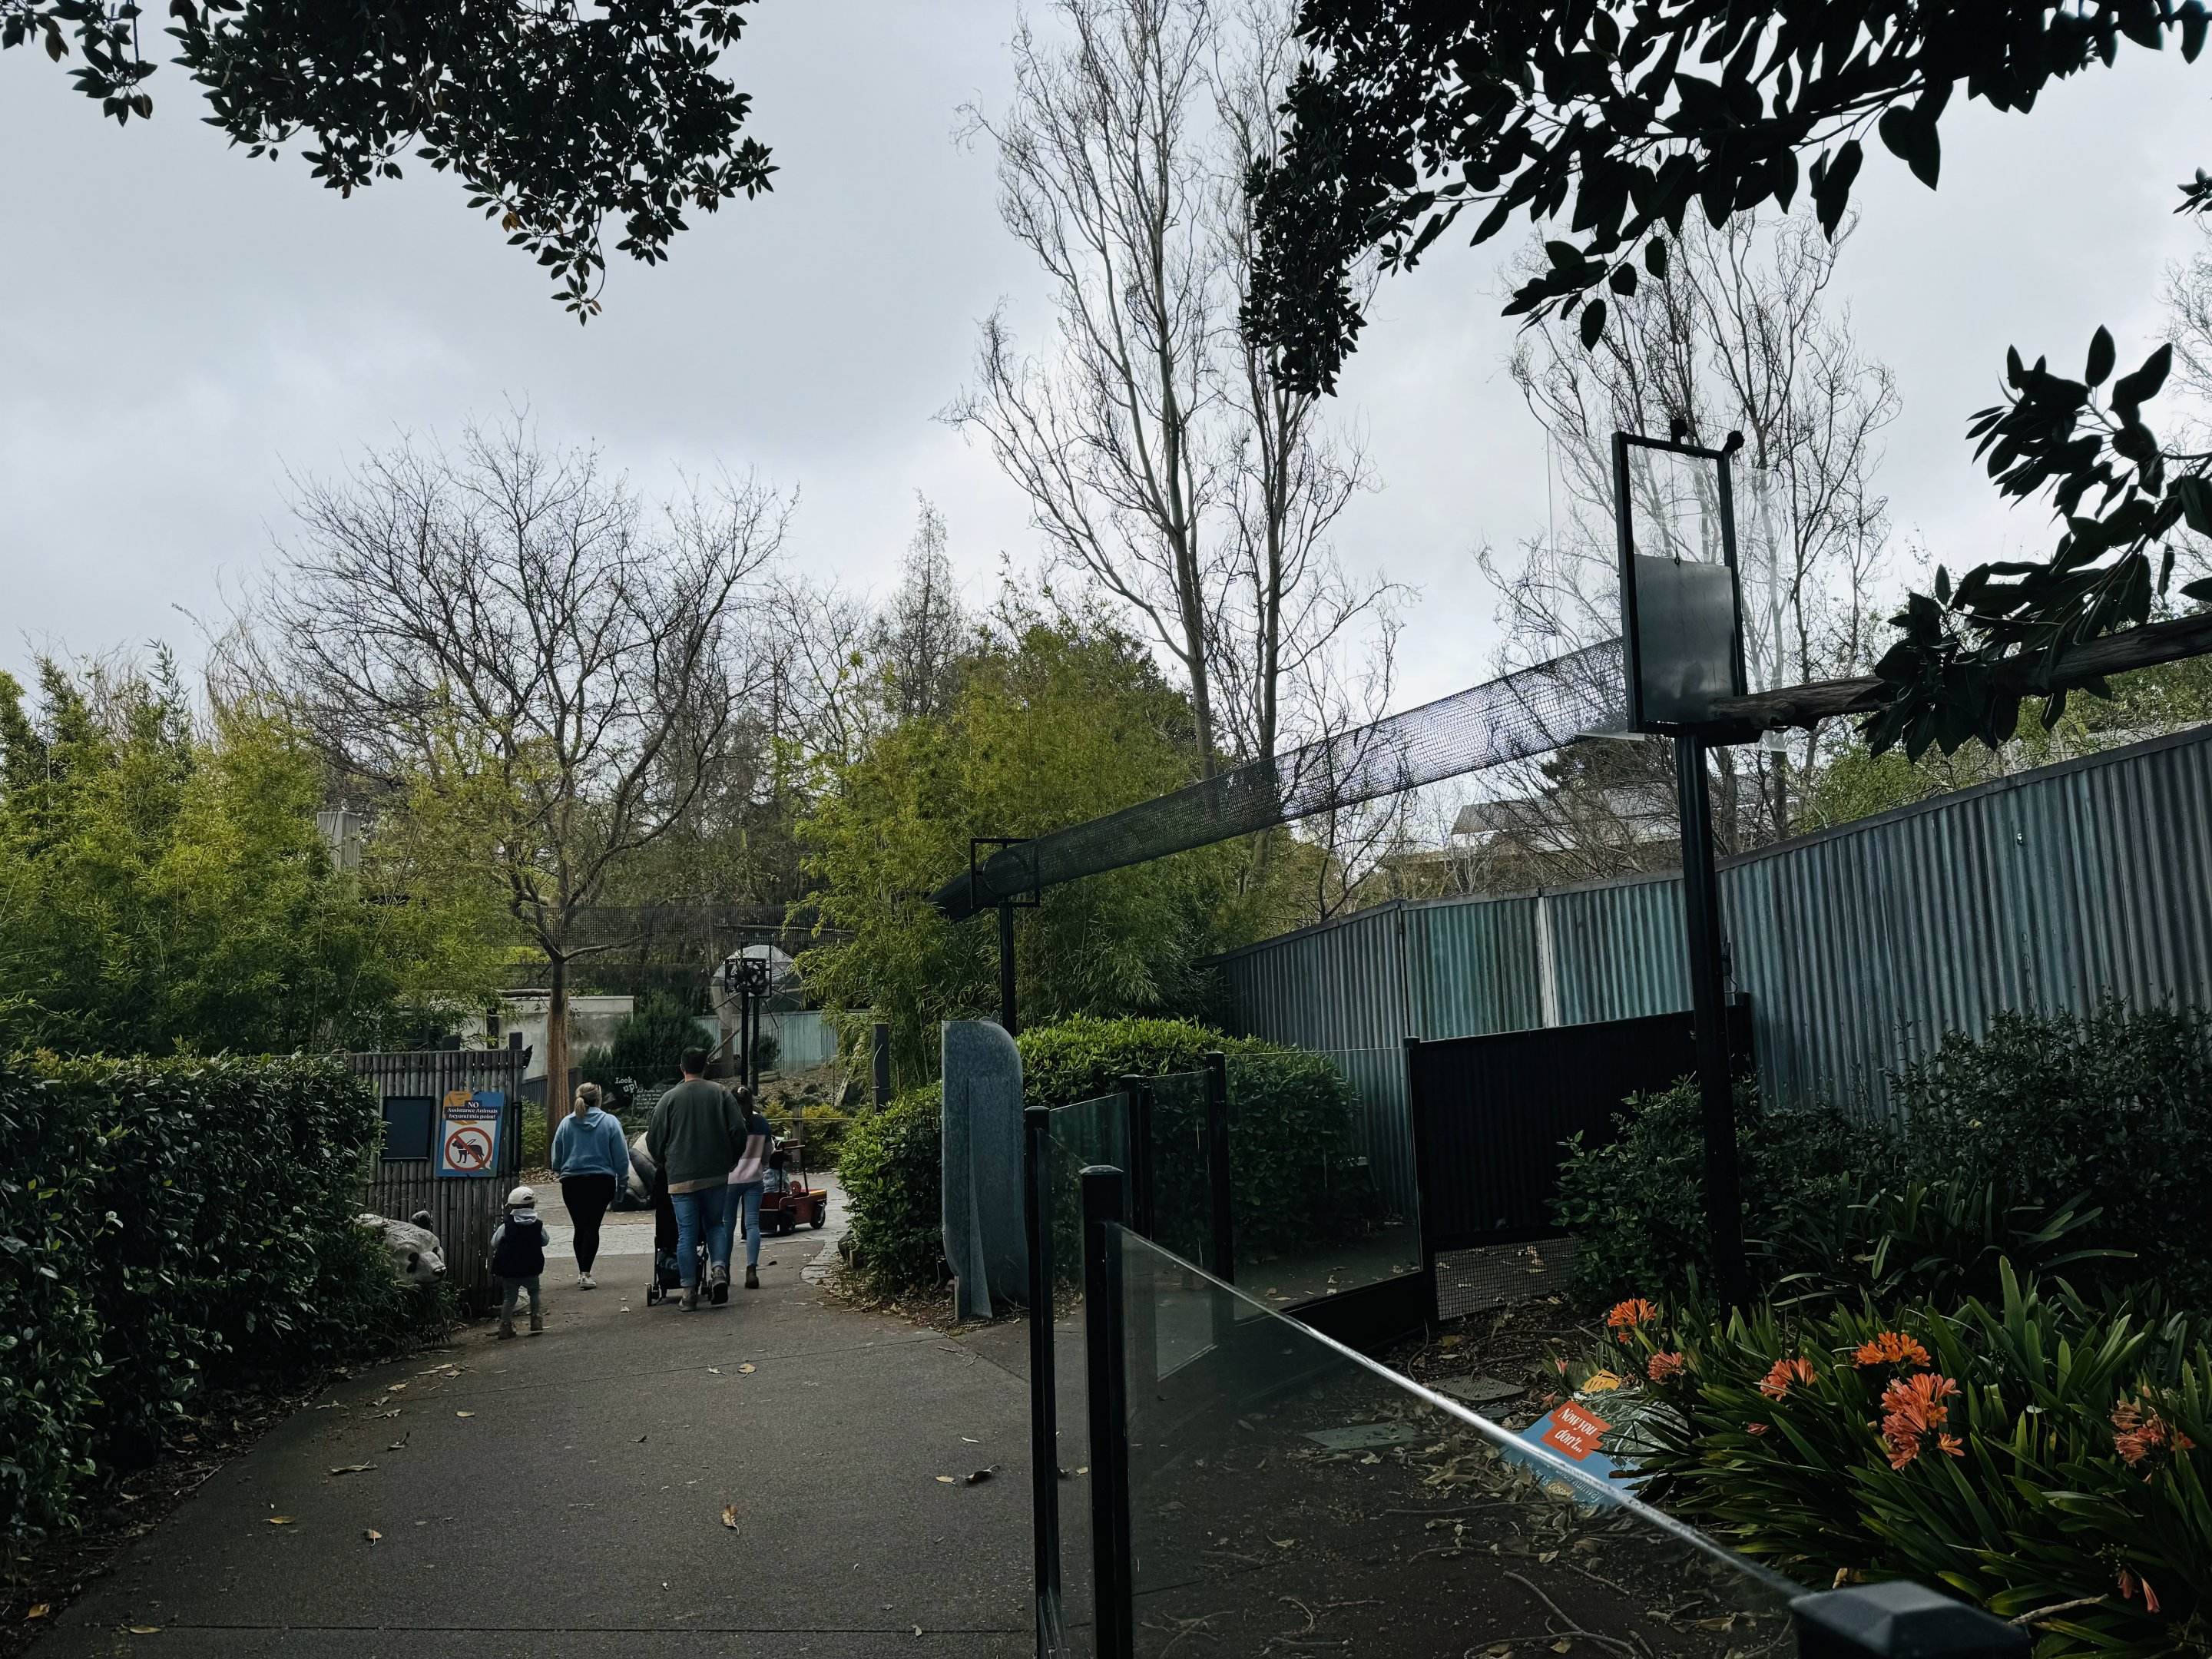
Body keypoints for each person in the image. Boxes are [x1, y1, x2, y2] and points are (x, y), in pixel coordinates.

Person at [645, 1048, 747, 1311]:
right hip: (715, 1173)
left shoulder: (669, 1099)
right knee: (715, 1225)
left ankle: (689, 1292)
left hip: (680, 1177)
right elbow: (739, 1129)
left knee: (686, 1235)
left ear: (682, 1068)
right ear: (707, 1067)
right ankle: (719, 1271)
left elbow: (653, 1140)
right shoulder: (721, 1094)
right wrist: (731, 1159)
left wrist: (664, 1161)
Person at [549, 1081, 628, 1290]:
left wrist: (559, 1169)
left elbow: (556, 1153)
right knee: (592, 1225)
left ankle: (581, 1271)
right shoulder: (610, 1122)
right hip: (601, 1181)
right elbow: (621, 1156)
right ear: (599, 1099)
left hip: (572, 1181)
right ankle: (586, 1273)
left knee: (579, 1226)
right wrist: (623, 1182)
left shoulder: (567, 1122)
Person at [714, 1097, 776, 1297]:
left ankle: (724, 1270)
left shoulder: (725, 1120)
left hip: (730, 1180)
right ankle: (751, 1270)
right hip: (754, 1179)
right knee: (752, 1224)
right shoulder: (761, 1122)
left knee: (726, 1225)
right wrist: (760, 1164)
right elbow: (769, 1152)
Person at [489, 1185, 548, 1339]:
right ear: (533, 1205)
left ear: (511, 1207)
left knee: (510, 1298)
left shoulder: (506, 1226)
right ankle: (536, 1321)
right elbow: (545, 1241)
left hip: (509, 1269)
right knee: (534, 1293)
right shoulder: (538, 1225)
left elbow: (494, 1243)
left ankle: (505, 1326)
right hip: (532, 1267)